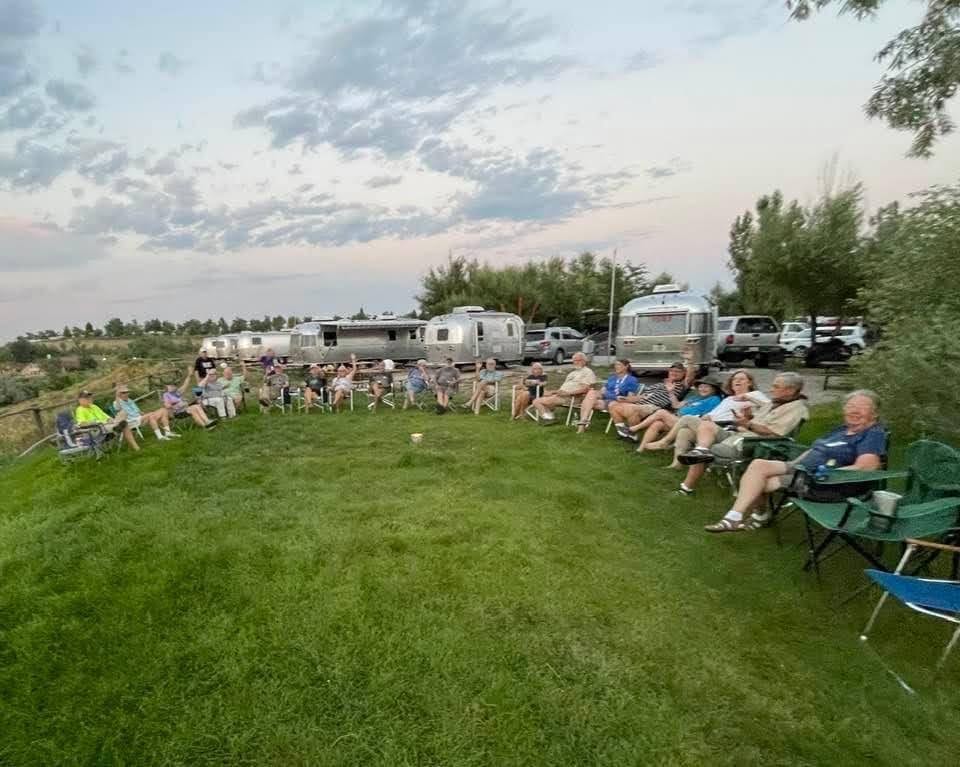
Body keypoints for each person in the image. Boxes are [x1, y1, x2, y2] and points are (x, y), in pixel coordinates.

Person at [704, 390, 885, 532]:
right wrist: (794, 464)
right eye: (850, 406)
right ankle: (737, 517)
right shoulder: (841, 429)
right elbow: (817, 449)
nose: (854, 411)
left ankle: (751, 517)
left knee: (760, 482)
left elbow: (867, 467)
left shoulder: (872, 434)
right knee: (758, 464)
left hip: (824, 483)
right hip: (802, 469)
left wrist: (828, 473)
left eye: (861, 407)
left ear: (874, 414)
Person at [675, 371, 809, 497]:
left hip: (753, 444)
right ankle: (701, 450)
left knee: (702, 444)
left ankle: (686, 487)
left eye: (776, 386)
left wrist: (747, 424)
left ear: (790, 390)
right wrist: (748, 417)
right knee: (706, 426)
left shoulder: (796, 409)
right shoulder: (775, 403)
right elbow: (758, 421)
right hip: (739, 434)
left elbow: (774, 432)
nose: (771, 389)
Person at [647, 369, 766, 464]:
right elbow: (714, 414)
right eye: (735, 379)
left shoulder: (755, 394)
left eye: (741, 379)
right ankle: (677, 464)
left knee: (686, 418)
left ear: (749, 383)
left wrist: (748, 397)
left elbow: (769, 405)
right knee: (685, 431)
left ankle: (665, 441)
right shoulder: (728, 398)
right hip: (710, 423)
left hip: (724, 427)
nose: (737, 381)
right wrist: (707, 416)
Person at [631, 374, 724, 452]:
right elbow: (676, 405)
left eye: (706, 387)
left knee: (661, 412)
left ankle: (634, 429)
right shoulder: (695, 398)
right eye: (700, 386)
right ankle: (641, 449)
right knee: (657, 424)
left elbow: (706, 417)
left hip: (689, 423)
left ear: (714, 389)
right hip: (677, 419)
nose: (702, 389)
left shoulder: (714, 399)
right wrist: (670, 392)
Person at [610, 360, 696, 438]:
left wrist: (690, 360)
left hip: (654, 407)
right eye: (672, 370)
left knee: (632, 410)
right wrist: (626, 399)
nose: (674, 373)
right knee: (613, 405)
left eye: (677, 371)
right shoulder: (659, 384)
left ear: (683, 373)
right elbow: (641, 397)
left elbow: (690, 376)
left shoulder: (681, 385)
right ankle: (624, 433)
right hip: (640, 404)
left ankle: (632, 434)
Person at [575, 358, 640, 433]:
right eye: (615, 365)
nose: (616, 366)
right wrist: (613, 396)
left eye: (619, 365)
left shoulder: (631, 380)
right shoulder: (612, 378)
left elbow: (629, 398)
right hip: (607, 400)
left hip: (617, 404)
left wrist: (610, 395)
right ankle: (583, 421)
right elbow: (602, 391)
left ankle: (581, 425)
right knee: (591, 393)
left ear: (626, 366)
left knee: (587, 402)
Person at [532, 352, 597, 422]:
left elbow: (585, 389)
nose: (576, 362)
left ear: (584, 361)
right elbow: (565, 387)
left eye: (578, 360)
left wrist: (568, 393)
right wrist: (554, 392)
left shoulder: (587, 372)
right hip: (561, 395)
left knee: (536, 401)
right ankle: (549, 418)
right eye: (574, 361)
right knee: (542, 399)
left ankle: (550, 419)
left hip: (571, 398)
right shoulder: (573, 373)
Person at [75, 389, 140, 451]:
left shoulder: (94, 406)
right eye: (86, 398)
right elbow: (81, 424)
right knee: (124, 424)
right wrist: (95, 423)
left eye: (90, 397)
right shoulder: (80, 410)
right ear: (80, 400)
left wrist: (112, 420)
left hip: (109, 425)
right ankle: (118, 428)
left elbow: (107, 417)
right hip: (98, 429)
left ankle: (117, 426)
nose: (89, 399)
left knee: (123, 413)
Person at [114, 384, 179, 441]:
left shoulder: (130, 400)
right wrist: (117, 395)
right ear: (119, 394)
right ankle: (160, 436)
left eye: (127, 392)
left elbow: (139, 411)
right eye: (123, 393)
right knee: (151, 415)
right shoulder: (117, 403)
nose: (126, 394)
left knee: (163, 410)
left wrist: (146, 413)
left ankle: (168, 433)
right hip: (132, 421)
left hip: (140, 417)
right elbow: (118, 408)